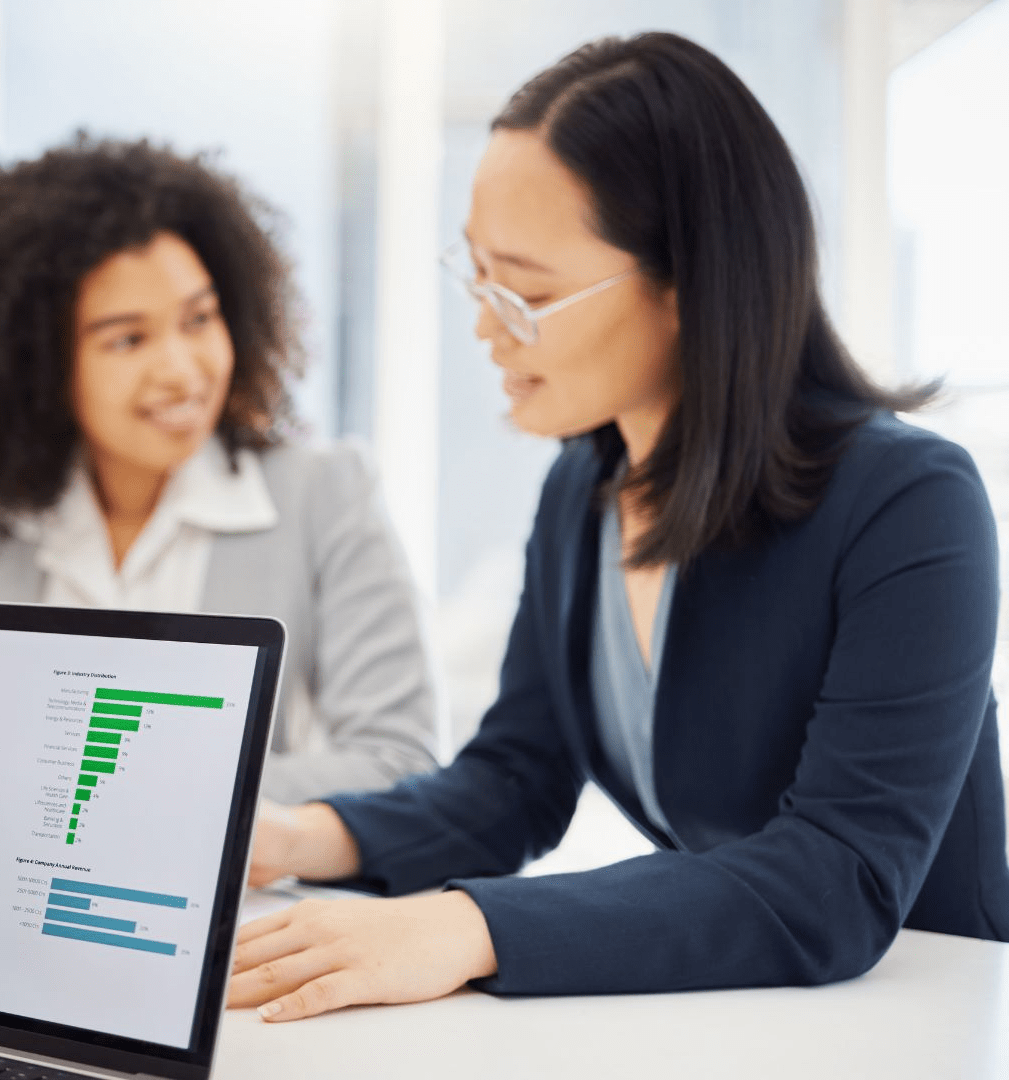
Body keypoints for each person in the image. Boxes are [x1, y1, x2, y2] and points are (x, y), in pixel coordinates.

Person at [228, 31, 1008, 1021]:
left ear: (691, 283)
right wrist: (293, 836)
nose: (486, 326)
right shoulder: (583, 486)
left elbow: (837, 875)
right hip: (738, 1012)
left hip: (923, 1011)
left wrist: (467, 925)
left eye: (527, 292)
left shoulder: (909, 502)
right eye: (477, 277)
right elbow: (515, 780)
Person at [0, 139, 438, 803]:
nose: (182, 370)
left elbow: (397, 762)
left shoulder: (325, 494)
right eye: (128, 339)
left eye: (199, 319)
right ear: (40, 364)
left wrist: (110, 794)